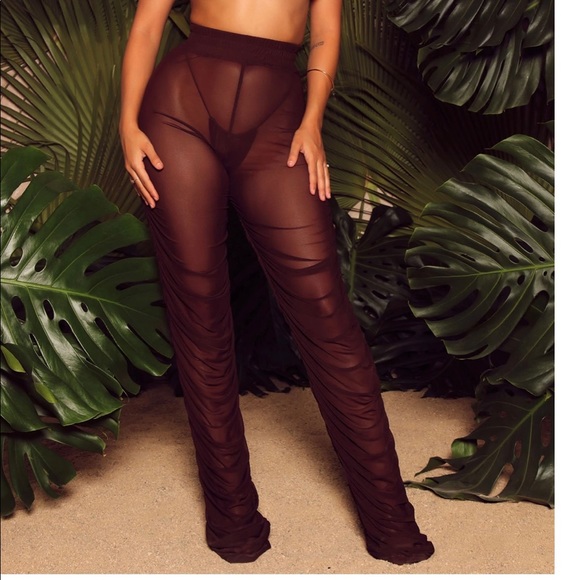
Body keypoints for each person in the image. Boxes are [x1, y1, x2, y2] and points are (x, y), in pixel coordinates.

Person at [119, 0, 434, 566]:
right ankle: (233, 520)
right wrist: (127, 124)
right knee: (199, 314)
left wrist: (312, 121)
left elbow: (326, 34)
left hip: (280, 123)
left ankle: (391, 521)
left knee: (325, 313)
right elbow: (147, 25)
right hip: (177, 112)